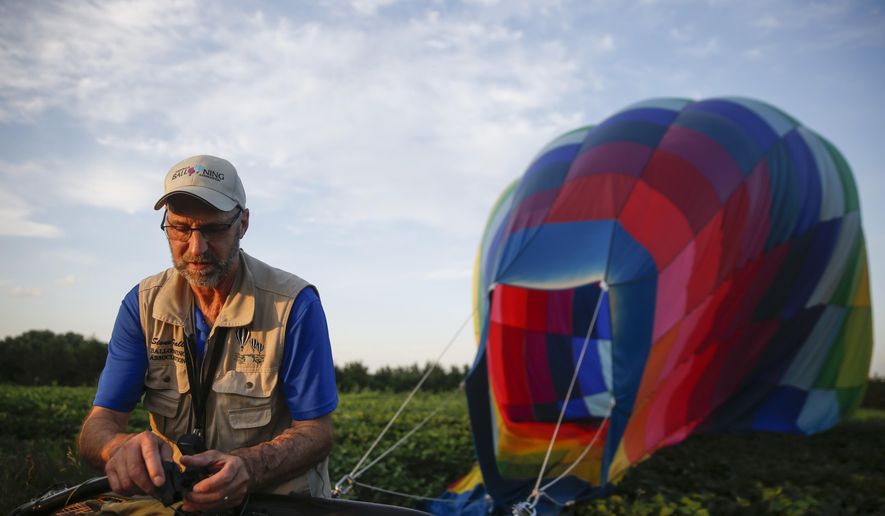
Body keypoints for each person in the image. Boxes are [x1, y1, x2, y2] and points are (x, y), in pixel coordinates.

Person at [78, 155, 338, 513]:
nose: (196, 248)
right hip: (178, 503)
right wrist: (117, 448)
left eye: (214, 229)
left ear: (242, 223)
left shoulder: (293, 305)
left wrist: (250, 466)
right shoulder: (141, 306)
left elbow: (317, 431)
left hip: (273, 504)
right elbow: (100, 423)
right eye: (181, 229)